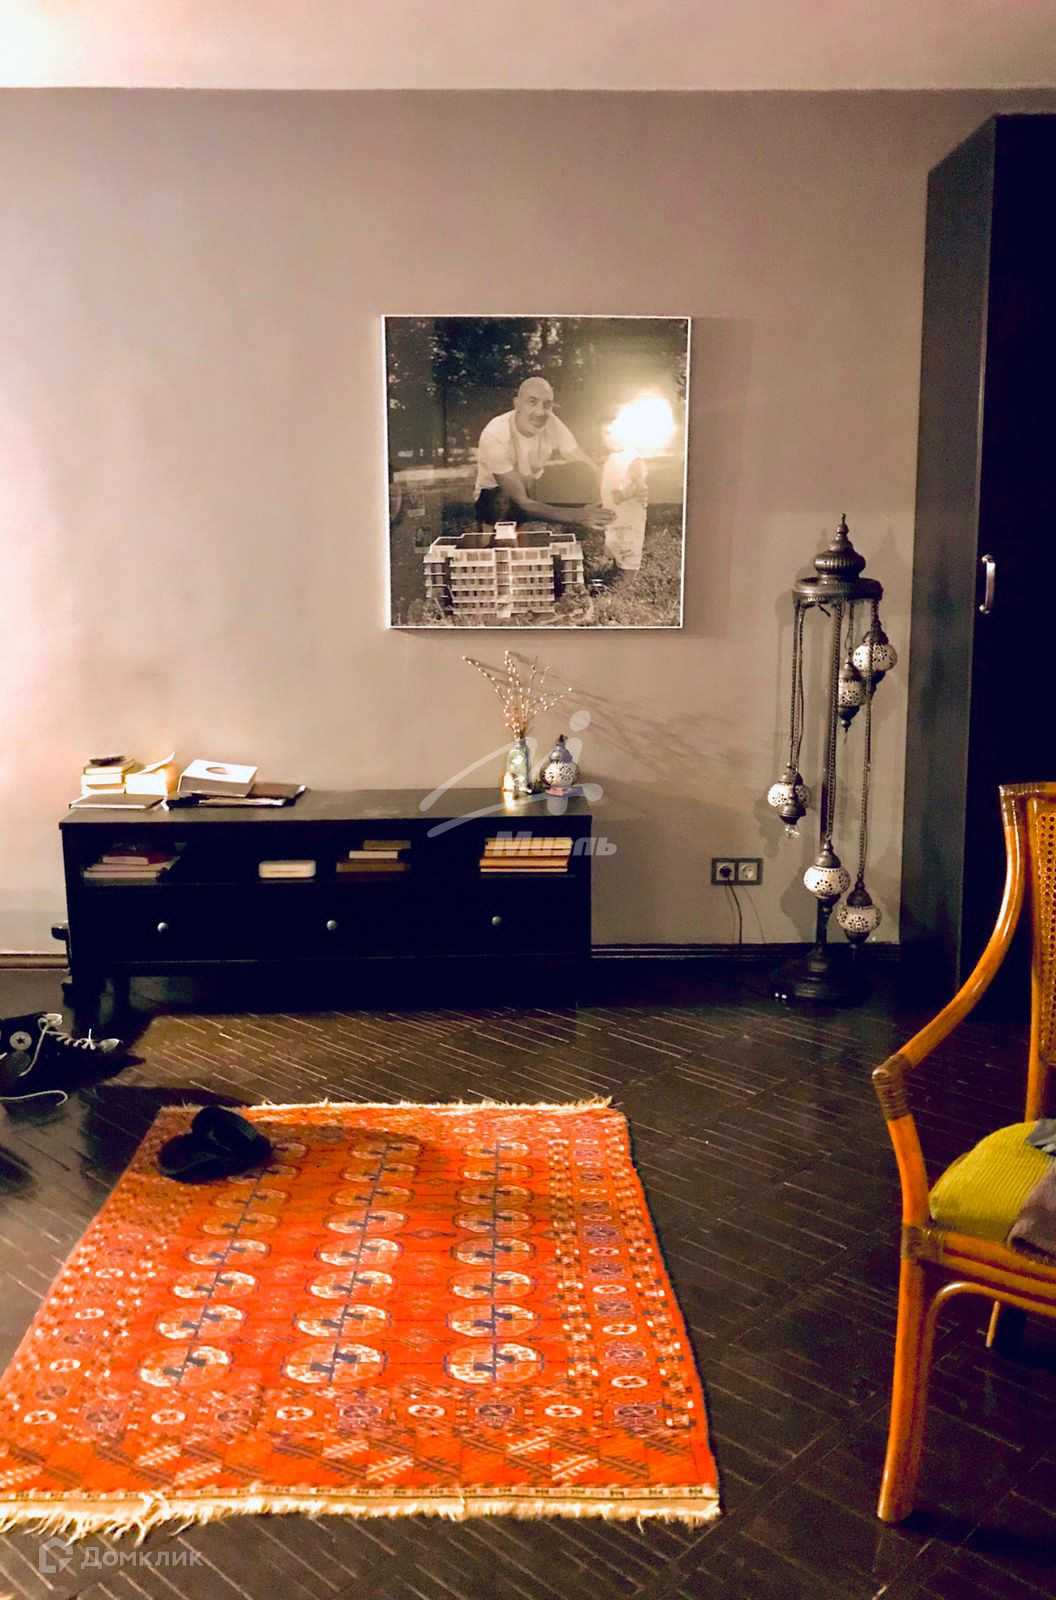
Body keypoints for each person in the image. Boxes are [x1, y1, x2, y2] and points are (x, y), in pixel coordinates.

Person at [473, 377, 613, 533]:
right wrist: (577, 516)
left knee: (575, 472)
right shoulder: (495, 434)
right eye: (532, 402)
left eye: (547, 404)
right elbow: (522, 501)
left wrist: (605, 492)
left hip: (530, 486)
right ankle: (490, 530)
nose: (540, 412)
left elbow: (580, 459)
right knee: (505, 517)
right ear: (517, 404)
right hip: (495, 494)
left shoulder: (552, 422)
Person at [599, 415, 648, 574]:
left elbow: (640, 485)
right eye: (607, 433)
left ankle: (627, 579)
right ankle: (614, 569)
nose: (612, 438)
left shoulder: (632, 458)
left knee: (628, 547)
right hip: (615, 514)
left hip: (629, 516)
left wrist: (624, 495)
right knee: (614, 542)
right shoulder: (612, 457)